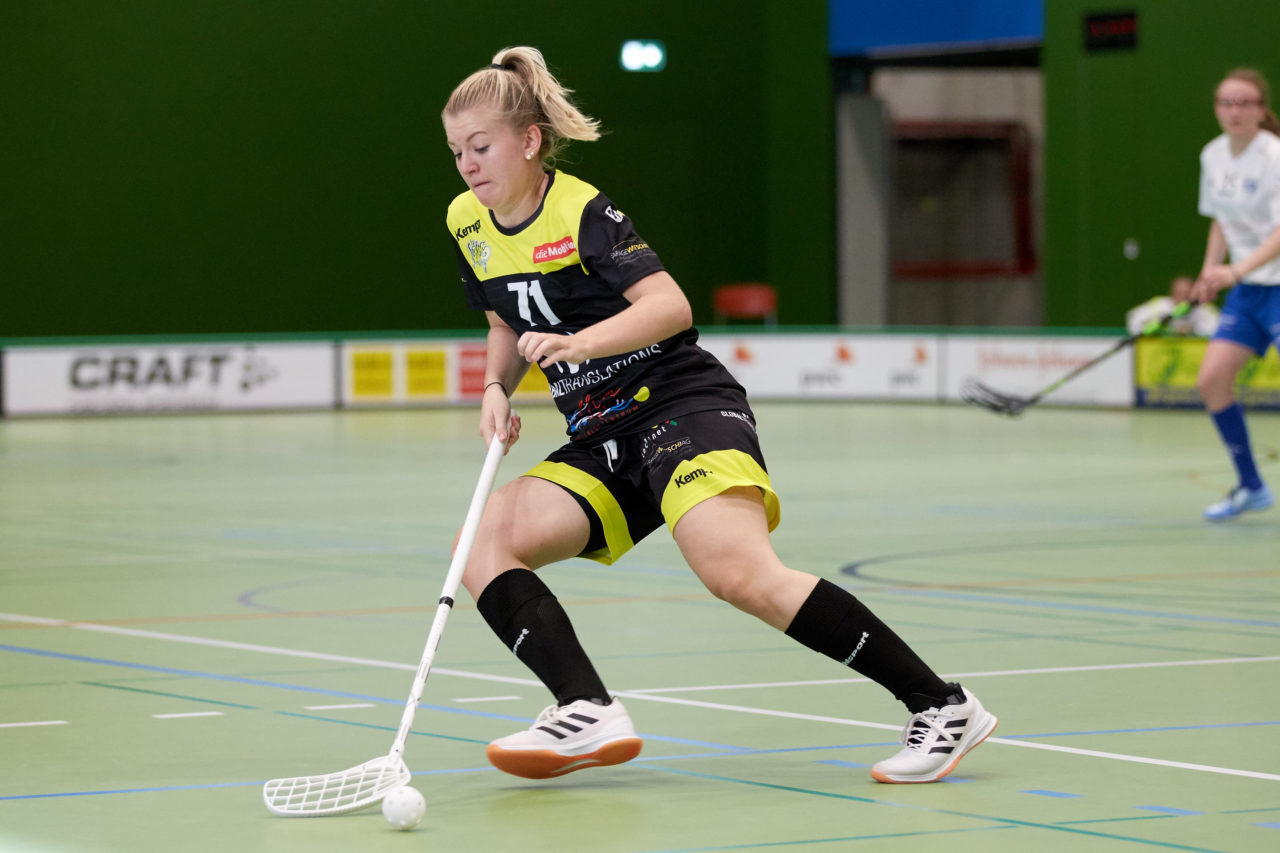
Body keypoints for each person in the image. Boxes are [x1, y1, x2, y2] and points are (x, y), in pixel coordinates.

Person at [441, 46, 996, 786]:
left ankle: (942, 705)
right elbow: (503, 321)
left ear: (529, 141)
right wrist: (496, 387)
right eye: (456, 151)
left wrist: (579, 343)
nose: (467, 165)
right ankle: (585, 707)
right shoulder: (467, 222)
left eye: (480, 147)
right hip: (602, 432)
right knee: (482, 542)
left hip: (680, 405)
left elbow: (670, 306)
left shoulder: (583, 212)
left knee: (738, 574)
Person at [1190, 67, 1280, 522]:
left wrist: (1237, 269)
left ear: (1262, 110)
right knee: (1211, 381)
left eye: (1245, 102)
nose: (1235, 110)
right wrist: (1210, 272)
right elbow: (1220, 220)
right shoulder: (1212, 155)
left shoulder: (1275, 156)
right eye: (1226, 102)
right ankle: (1251, 486)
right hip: (1247, 293)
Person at [1125, 275, 1219, 336]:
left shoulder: (1205, 308)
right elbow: (1133, 322)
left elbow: (1218, 329)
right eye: (1179, 293)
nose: (1182, 298)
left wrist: (1192, 331)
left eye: (1186, 294)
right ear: (1171, 294)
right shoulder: (1159, 305)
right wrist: (1156, 327)